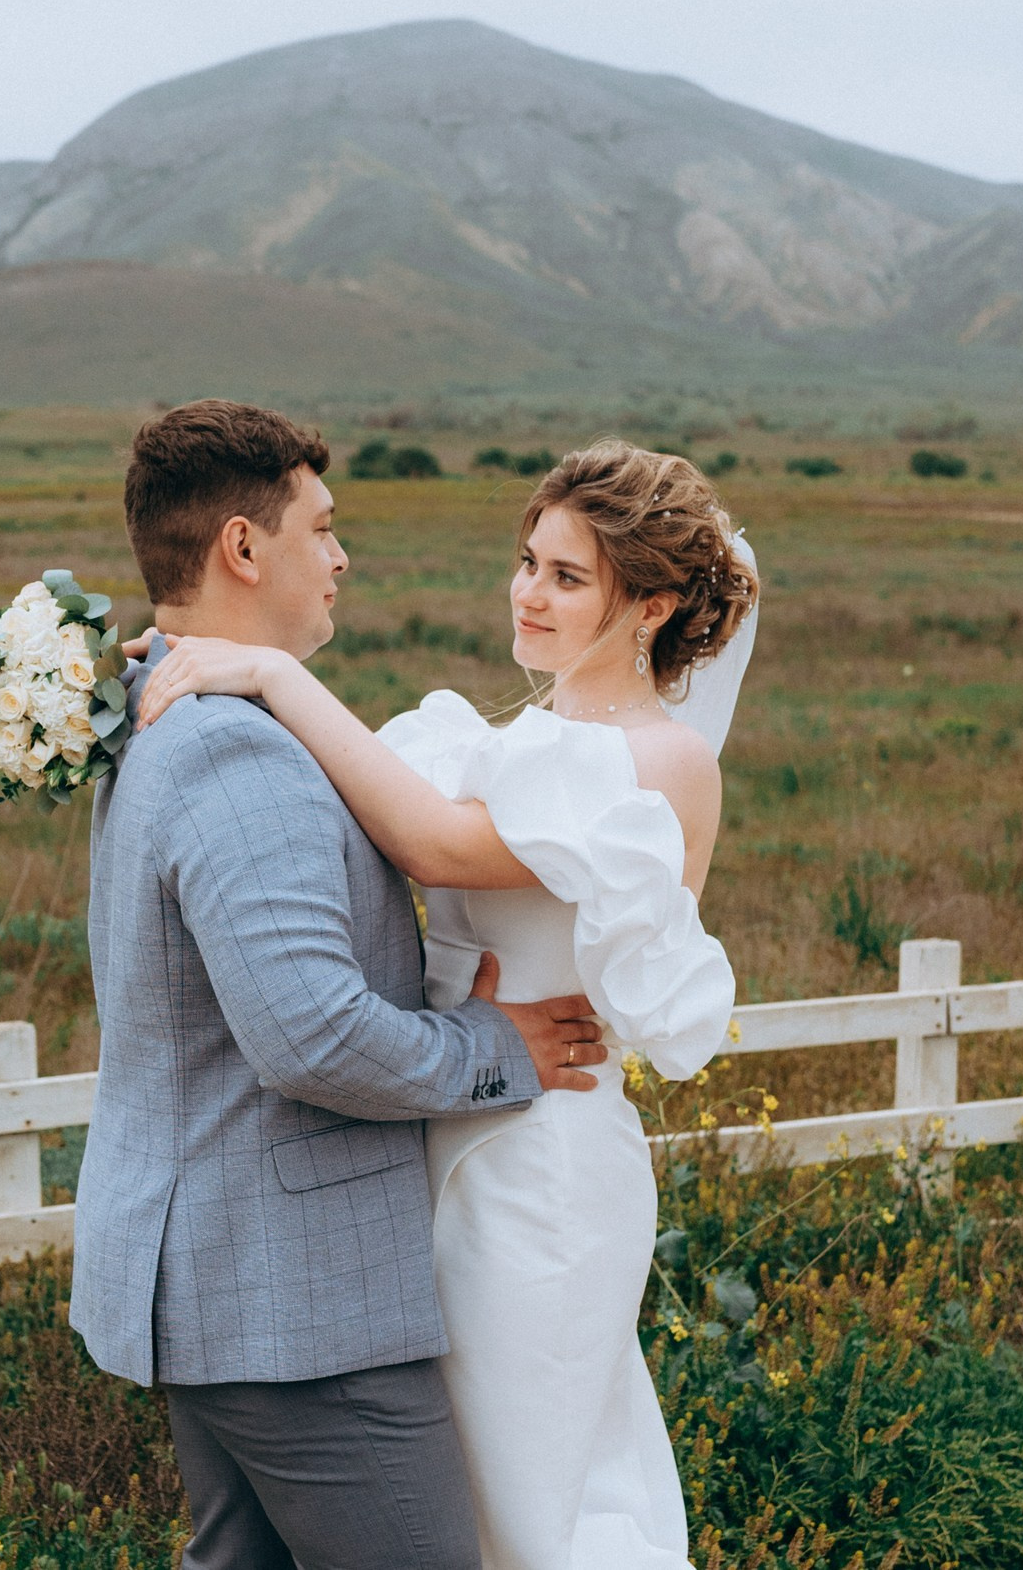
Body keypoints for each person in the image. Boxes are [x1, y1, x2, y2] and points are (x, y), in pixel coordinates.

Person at [136, 436, 761, 1569]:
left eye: (567, 578)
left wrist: (272, 673)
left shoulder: (659, 761)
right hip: (443, 1131)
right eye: (527, 561)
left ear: (653, 606)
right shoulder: (515, 740)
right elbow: (343, 812)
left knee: (538, 1497)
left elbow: (430, 844)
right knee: (455, 1498)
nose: (527, 593)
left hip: (543, 1165)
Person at [69, 400, 617, 1570]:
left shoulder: (154, 703)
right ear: (242, 547)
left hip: (223, 1291)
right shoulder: (230, 745)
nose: (340, 553)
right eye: (320, 526)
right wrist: (497, 1047)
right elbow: (312, 1037)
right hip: (297, 1312)